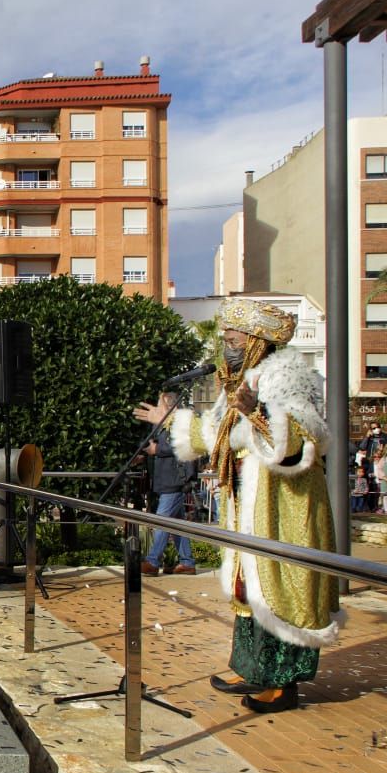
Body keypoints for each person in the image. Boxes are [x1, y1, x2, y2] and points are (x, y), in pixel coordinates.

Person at [135, 298, 340, 713]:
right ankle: (252, 669)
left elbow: (300, 442)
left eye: (232, 339)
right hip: (250, 504)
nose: (225, 346)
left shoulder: (288, 377)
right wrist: (173, 420)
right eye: (225, 339)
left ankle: (280, 683)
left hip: (284, 505)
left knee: (281, 589)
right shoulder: (240, 382)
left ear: (256, 341)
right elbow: (215, 436)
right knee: (250, 587)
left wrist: (260, 414)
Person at [141, 430, 199, 576]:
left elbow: (182, 445)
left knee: (162, 521)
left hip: (174, 482)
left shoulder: (175, 424)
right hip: (168, 482)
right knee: (176, 524)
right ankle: (187, 563)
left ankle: (153, 561)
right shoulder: (161, 426)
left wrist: (157, 449)